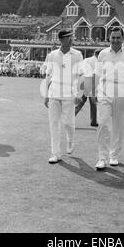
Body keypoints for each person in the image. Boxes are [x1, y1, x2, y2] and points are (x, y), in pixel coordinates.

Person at [94, 27, 124, 170]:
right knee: (103, 123)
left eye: (118, 37)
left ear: (123, 38)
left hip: (122, 92)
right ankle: (102, 158)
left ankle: (114, 155)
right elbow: (98, 75)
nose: (115, 40)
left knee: (119, 126)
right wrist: (94, 91)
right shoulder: (102, 54)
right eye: (113, 37)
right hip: (105, 92)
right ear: (109, 38)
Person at [44, 29, 84, 164]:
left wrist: (79, 93)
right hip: (54, 93)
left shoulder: (77, 54)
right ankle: (55, 153)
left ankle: (71, 140)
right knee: (53, 124)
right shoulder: (52, 55)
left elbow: (81, 74)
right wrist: (46, 94)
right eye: (68, 37)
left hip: (69, 94)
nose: (71, 40)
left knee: (68, 122)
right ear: (61, 39)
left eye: (71, 37)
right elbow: (48, 75)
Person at [75, 49, 101, 127]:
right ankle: (93, 121)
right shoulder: (98, 63)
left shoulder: (87, 60)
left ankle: (93, 121)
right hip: (90, 83)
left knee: (83, 102)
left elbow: (80, 71)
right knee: (91, 103)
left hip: (84, 82)